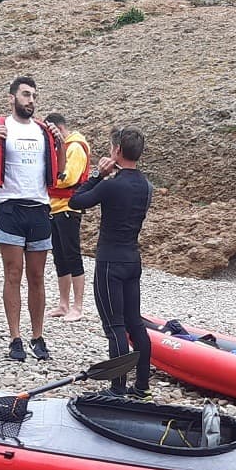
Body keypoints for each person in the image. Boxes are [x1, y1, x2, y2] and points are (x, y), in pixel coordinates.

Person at [0, 75, 61, 362]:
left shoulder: (44, 130)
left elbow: (61, 172)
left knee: (37, 277)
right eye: (25, 94)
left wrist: (61, 143)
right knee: (13, 274)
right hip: (9, 206)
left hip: (39, 207)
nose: (31, 100)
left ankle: (38, 336)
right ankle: (15, 337)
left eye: (34, 95)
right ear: (12, 97)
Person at [68, 127, 153, 397]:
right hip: (132, 259)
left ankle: (117, 388)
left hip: (109, 263)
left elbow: (75, 201)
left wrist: (98, 174)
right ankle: (142, 387)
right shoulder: (146, 186)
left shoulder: (111, 184)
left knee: (115, 327)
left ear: (116, 151)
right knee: (135, 324)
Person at [45, 112, 92, 322]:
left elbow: (68, 178)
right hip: (54, 208)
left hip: (68, 209)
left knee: (72, 256)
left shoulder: (74, 147)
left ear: (59, 129)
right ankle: (63, 304)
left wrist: (48, 179)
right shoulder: (62, 148)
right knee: (60, 258)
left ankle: (77, 306)